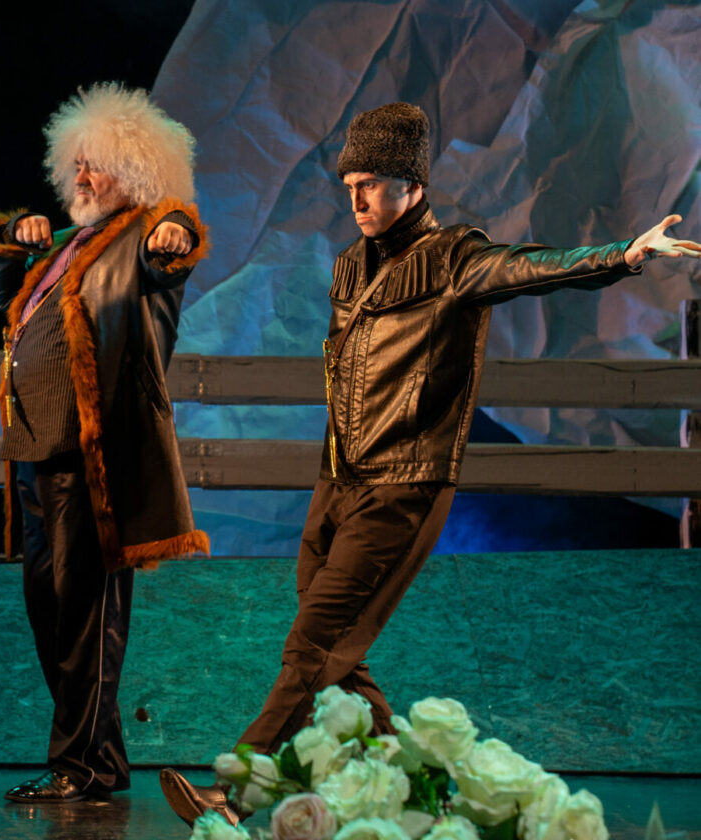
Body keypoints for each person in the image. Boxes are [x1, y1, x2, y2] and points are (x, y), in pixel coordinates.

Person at [160, 101, 701, 826]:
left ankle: (234, 792)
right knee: (339, 656)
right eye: (350, 185)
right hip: (338, 481)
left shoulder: (454, 258)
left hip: (404, 485)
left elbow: (531, 268)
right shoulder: (350, 266)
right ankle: (427, 795)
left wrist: (624, 254)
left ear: (411, 185)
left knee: (313, 644)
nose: (357, 200)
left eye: (371, 184)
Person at [0, 82, 211, 803]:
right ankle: (100, 761)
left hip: (91, 459)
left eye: (97, 164)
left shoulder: (143, 235)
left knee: (88, 617)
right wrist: (12, 236)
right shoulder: (63, 245)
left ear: (135, 172)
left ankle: (78, 767)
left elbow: (174, 248)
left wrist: (174, 227)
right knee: (50, 612)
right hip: (35, 454)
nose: (81, 175)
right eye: (76, 162)